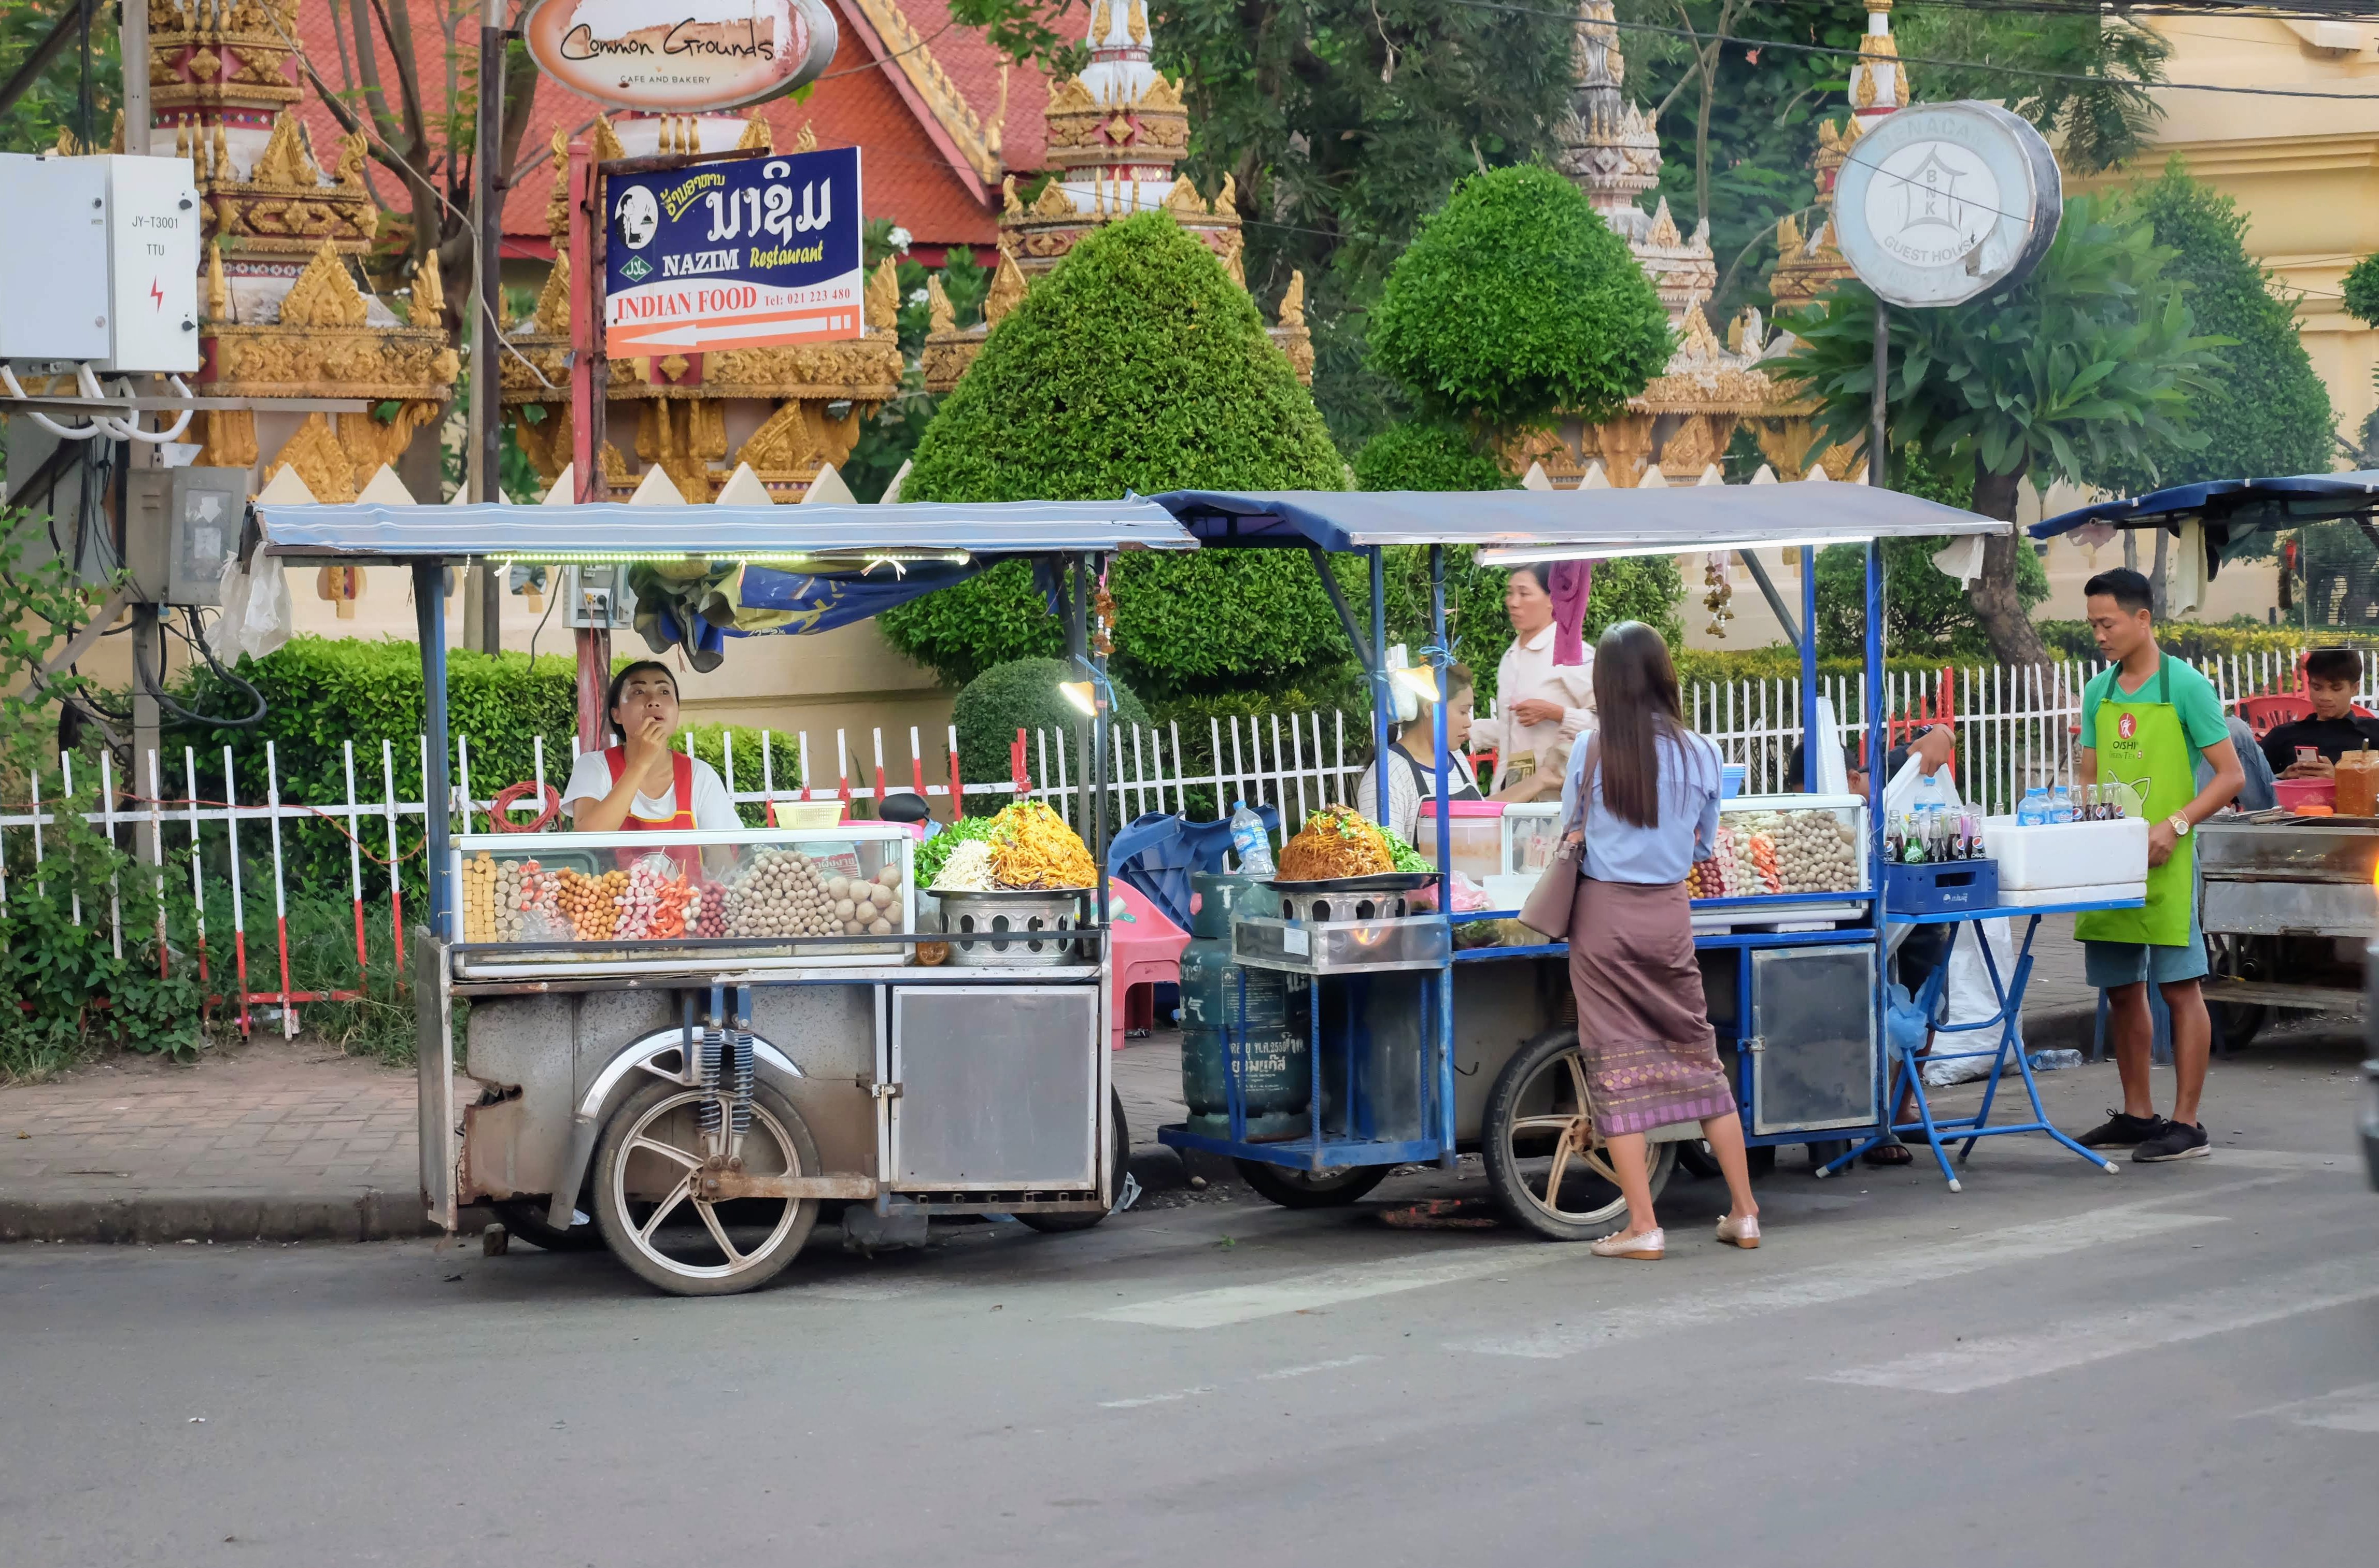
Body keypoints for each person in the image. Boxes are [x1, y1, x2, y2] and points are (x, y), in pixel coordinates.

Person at [1557, 621, 1761, 1259]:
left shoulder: (1590, 749)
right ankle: (1746, 1212)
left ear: (1607, 684)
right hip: (1669, 914)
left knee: (1614, 1062)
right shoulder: (1702, 751)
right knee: (1699, 1057)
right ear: (1665, 675)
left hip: (1603, 917)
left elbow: (1570, 828)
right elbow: (1703, 843)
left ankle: (1643, 1225)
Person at [2073, 569, 2245, 1164]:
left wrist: (2175, 826)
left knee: (2178, 986)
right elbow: (2089, 775)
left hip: (2168, 859)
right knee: (2121, 989)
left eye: (2108, 623)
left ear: (2143, 619)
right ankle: (2139, 1114)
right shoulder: (2099, 691)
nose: (2099, 634)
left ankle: (2188, 1123)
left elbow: (2230, 775)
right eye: (2093, 623)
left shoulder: (2187, 687)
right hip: (2111, 859)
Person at [561, 662, 743, 857]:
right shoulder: (595, 767)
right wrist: (641, 763)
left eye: (665, 692)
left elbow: (722, 861)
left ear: (677, 710)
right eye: (638, 692)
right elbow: (589, 837)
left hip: (687, 889)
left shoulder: (700, 775)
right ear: (617, 715)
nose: (654, 701)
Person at [1470, 565, 1595, 800]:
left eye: (1524, 593)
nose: (1513, 602)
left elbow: (1610, 725)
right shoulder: (1511, 657)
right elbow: (1513, 729)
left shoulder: (1574, 656)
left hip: (1559, 803)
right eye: (1510, 592)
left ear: (1553, 600)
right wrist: (1466, 730)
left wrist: (1557, 713)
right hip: (1513, 796)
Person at [1356, 664, 1482, 843]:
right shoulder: (1390, 773)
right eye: (1463, 711)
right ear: (1430, 708)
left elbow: (1484, 817)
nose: (1468, 722)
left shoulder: (1457, 759)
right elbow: (1386, 857)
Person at [2259, 647, 2379, 778]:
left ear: (2355, 688)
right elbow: (2248, 787)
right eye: (2317, 687)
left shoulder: (2373, 733)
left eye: (2336, 689)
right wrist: (2281, 778)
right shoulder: (2282, 735)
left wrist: (2340, 781)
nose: (2325, 697)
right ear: (2309, 685)